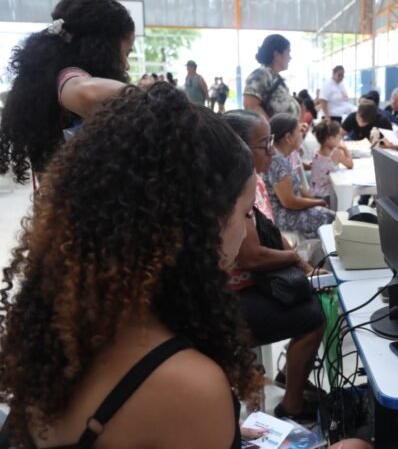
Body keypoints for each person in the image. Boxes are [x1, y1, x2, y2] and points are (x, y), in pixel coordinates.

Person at [0, 83, 262, 448]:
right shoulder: (190, 386)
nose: (247, 230)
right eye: (246, 212)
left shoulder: (58, 331)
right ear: (200, 224)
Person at [222, 110, 325, 423]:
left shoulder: (256, 181)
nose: (271, 150)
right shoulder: (231, 189)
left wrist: (305, 267)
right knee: (312, 317)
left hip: (251, 282)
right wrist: (294, 258)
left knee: (313, 294)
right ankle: (291, 404)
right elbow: (250, 256)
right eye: (264, 144)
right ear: (238, 149)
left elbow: (270, 229)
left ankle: (287, 376)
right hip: (230, 295)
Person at [0, 0, 135, 184]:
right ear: (104, 48)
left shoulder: (47, 85)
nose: (126, 65)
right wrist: (153, 97)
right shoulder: (70, 76)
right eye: (126, 53)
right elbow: (87, 93)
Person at [266, 113, 335, 238]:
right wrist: (317, 202)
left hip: (290, 211)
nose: (301, 135)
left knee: (332, 216)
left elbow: (297, 188)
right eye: (298, 132)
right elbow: (289, 202)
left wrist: (315, 200)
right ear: (288, 137)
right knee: (330, 220)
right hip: (283, 216)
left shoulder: (282, 157)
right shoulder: (277, 162)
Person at [244, 34, 300, 121]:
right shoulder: (260, 75)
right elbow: (251, 106)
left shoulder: (276, 78)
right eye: (288, 52)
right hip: (274, 134)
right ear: (277, 55)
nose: (290, 57)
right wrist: (271, 131)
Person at [311, 120, 353, 203]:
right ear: (330, 139)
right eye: (339, 137)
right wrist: (345, 149)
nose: (340, 140)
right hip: (328, 196)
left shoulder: (316, 151)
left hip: (314, 194)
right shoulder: (335, 153)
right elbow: (350, 164)